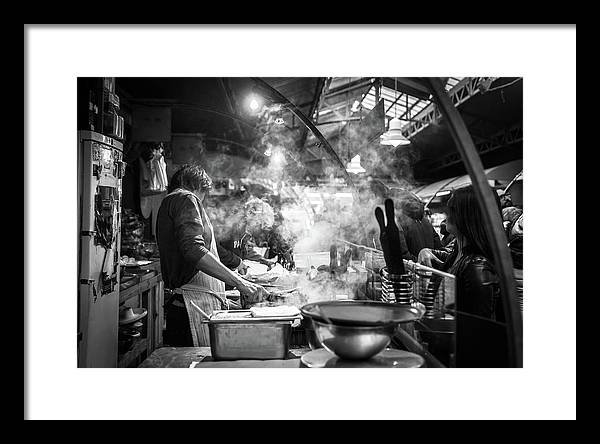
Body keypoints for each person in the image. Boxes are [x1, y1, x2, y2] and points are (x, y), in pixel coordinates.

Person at [156, 163, 269, 347]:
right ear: (193, 184)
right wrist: (240, 283)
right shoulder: (185, 198)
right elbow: (193, 249)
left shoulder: (173, 201)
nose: (203, 198)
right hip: (190, 308)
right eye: (203, 192)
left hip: (192, 305)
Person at [417, 185, 508, 367]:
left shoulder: (477, 267)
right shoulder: (459, 251)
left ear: (467, 215)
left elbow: (479, 337)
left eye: (451, 209)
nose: (445, 214)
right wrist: (426, 250)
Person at [218, 197, 278, 272]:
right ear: (250, 214)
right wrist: (237, 262)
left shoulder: (245, 232)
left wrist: (264, 261)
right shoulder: (230, 225)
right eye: (258, 224)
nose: (259, 229)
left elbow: (245, 251)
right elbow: (215, 248)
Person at [396, 190, 443, 262]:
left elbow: (403, 253)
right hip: (432, 268)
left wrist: (419, 263)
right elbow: (438, 246)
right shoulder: (426, 221)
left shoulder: (400, 221)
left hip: (415, 269)